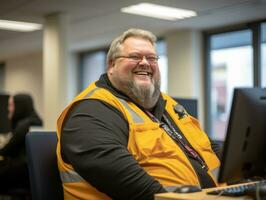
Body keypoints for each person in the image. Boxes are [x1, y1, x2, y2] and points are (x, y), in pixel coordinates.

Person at [56, 28, 221, 200]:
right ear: (112, 65)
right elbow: (131, 185)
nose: (145, 63)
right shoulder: (89, 112)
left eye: (151, 58)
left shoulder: (168, 104)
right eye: (135, 57)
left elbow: (207, 146)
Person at [0, 93, 42, 193]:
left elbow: (6, 151)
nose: (8, 109)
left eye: (11, 105)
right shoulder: (37, 122)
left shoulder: (23, 126)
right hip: (30, 172)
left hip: (21, 171)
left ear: (20, 106)